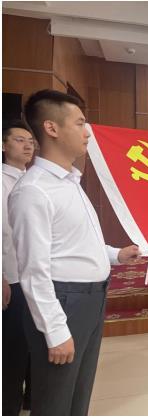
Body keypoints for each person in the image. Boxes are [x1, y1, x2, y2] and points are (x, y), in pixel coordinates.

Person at [9, 89, 141, 415]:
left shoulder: (69, 181)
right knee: (55, 400)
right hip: (64, 300)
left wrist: (116, 255)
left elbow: (75, 244)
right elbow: (33, 270)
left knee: (79, 394)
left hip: (91, 299)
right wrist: (54, 331)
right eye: (80, 123)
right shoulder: (33, 190)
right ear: (51, 128)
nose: (87, 132)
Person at [2, 120, 35, 415]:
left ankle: (30, 399)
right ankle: (8, 406)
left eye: (30, 141)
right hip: (10, 277)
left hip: (34, 276)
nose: (27, 146)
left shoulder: (32, 180)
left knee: (34, 341)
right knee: (12, 347)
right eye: (19, 140)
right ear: (3, 145)